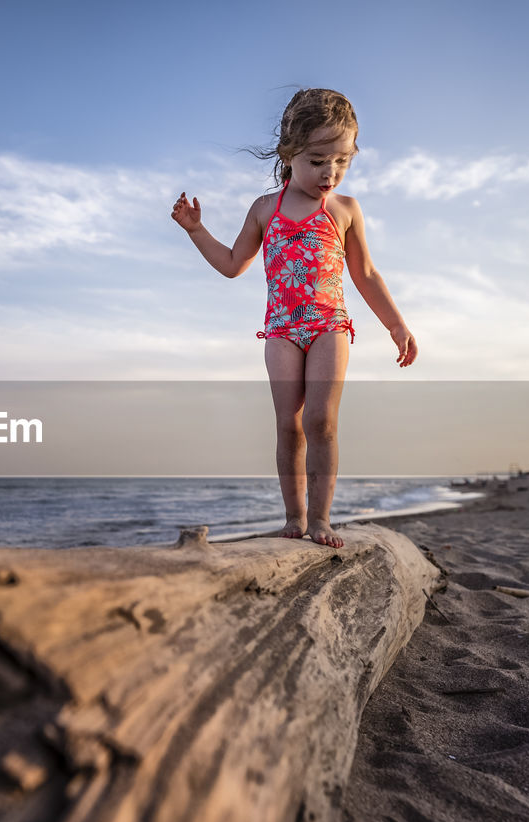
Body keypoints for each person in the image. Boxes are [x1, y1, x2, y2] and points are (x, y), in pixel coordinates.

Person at [171, 88, 416, 548]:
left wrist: (395, 324)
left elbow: (364, 273)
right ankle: (294, 516)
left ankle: (322, 519)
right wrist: (196, 230)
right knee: (289, 422)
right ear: (289, 154)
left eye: (342, 161)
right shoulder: (267, 209)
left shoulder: (344, 211)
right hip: (282, 329)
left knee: (320, 420)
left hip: (329, 326)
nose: (330, 173)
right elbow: (231, 264)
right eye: (318, 160)